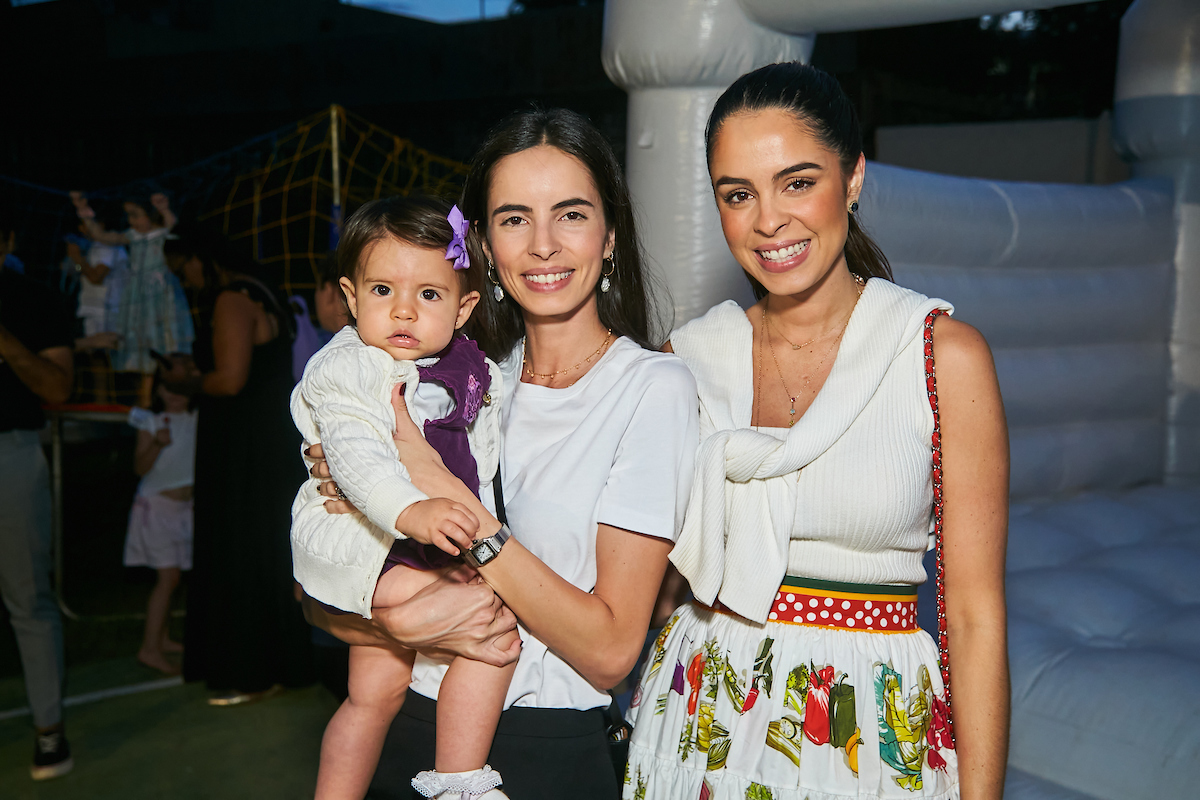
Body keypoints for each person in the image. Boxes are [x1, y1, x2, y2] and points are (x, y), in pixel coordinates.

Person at [623, 63, 1010, 800]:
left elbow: (975, 616)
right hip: (699, 714)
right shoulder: (685, 362)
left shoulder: (937, 355)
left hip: (866, 727)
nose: (769, 220)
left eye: (797, 182)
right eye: (739, 195)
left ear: (854, 178)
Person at [304, 108, 700, 799]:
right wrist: (378, 606)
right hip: (401, 727)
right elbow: (323, 597)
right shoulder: (459, 378)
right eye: (515, 219)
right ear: (482, 245)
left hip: (538, 749)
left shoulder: (650, 388)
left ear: (609, 236)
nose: (543, 245)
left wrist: (449, 503)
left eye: (571, 215)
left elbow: (610, 652)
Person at [292, 196, 515, 799]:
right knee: (492, 634)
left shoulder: (475, 367)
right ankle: (459, 782)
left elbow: (485, 450)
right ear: (350, 295)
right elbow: (357, 457)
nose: (404, 312)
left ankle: (452, 777)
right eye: (383, 290)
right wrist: (411, 510)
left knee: (374, 692)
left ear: (465, 307)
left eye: (430, 295)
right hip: (369, 540)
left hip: (435, 540)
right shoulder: (348, 368)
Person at [162, 233, 314, 705]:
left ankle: (252, 669)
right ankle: (287, 660)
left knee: (243, 550)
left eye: (184, 266)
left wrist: (185, 380)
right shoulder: (266, 293)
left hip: (244, 443)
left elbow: (229, 379)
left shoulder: (232, 298)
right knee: (271, 546)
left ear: (204, 258)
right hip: (270, 437)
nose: (184, 278)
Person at [0, 265, 75, 780]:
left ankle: (48, 728)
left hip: (12, 452)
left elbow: (58, 386)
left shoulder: (32, 298)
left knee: (28, 596)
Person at [70, 191, 193, 406]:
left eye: (136, 214)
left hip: (158, 298)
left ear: (151, 214)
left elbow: (172, 224)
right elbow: (103, 236)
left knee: (163, 346)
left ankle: (167, 399)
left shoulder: (161, 233)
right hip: (137, 301)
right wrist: (85, 215)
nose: (132, 220)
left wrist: (164, 209)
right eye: (129, 215)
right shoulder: (131, 236)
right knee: (141, 353)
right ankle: (143, 402)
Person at [125, 365, 197, 676]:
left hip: (185, 508)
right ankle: (149, 648)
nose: (175, 396)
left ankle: (162, 638)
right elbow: (139, 468)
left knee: (175, 578)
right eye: (169, 388)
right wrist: (156, 443)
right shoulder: (150, 422)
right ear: (157, 389)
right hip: (156, 507)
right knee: (166, 579)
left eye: (181, 389)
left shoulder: (196, 417)